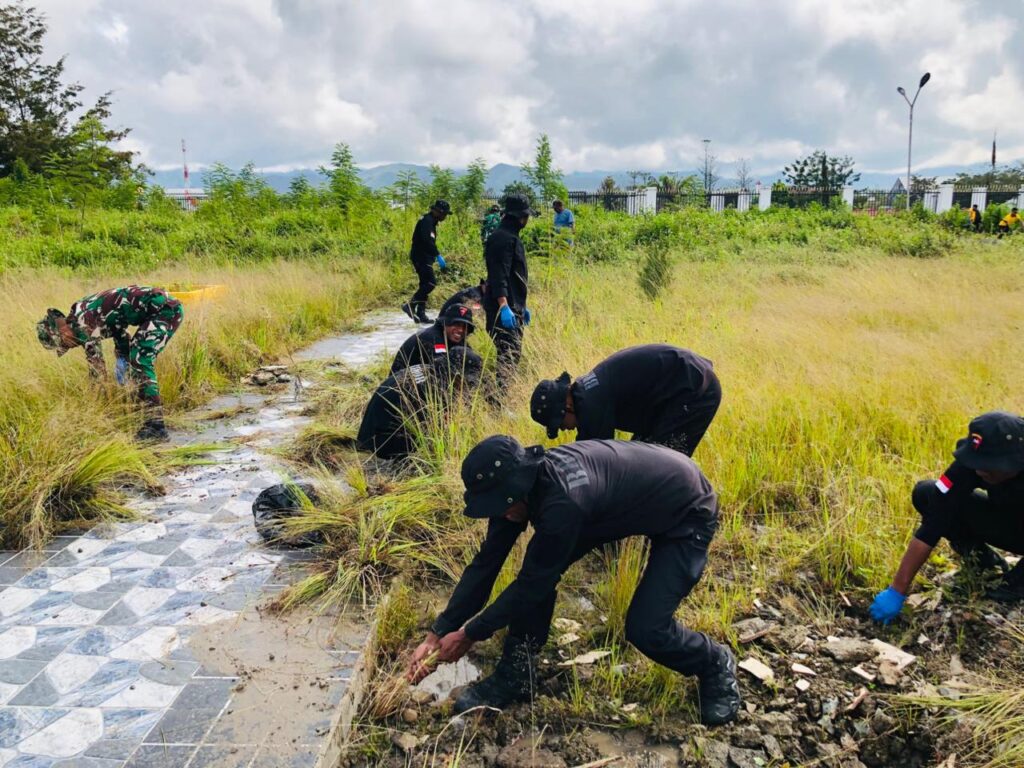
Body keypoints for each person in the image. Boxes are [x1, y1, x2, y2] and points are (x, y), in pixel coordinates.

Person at [406, 435, 741, 726]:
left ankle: (713, 661)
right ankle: (517, 676)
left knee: (645, 629)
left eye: (502, 507)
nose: (502, 515)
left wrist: (469, 634)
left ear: (517, 490)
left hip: (686, 509)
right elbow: (486, 563)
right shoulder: (520, 490)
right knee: (537, 575)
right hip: (616, 501)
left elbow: (531, 584)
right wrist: (438, 632)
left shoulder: (561, 504)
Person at [869, 411, 1024, 624]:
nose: (980, 470)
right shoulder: (972, 464)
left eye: (989, 465)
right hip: (1010, 521)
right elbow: (935, 520)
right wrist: (897, 589)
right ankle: (982, 562)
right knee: (926, 494)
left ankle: (1018, 582)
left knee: (1013, 586)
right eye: (977, 461)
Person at [36, 285, 184, 441]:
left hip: (164, 310)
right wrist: (123, 358)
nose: (69, 347)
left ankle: (156, 427)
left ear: (62, 332)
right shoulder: (81, 311)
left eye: (64, 344)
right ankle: (145, 413)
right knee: (134, 359)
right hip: (160, 308)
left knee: (140, 360)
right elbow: (118, 327)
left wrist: (98, 408)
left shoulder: (82, 323)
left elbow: (97, 370)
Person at [530, 345, 721, 457]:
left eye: (560, 423)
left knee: (662, 464)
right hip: (676, 390)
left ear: (567, 406)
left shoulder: (590, 405)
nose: (565, 429)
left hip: (695, 389)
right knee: (642, 457)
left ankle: (688, 515)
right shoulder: (585, 393)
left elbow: (595, 460)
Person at [357, 346, 483, 461]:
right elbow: (433, 431)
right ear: (454, 373)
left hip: (370, 434)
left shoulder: (430, 371)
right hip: (380, 443)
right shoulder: (431, 389)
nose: (466, 386)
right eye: (465, 381)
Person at [483, 193, 535, 398]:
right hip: (502, 308)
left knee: (511, 354)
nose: (527, 220)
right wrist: (504, 305)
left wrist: (521, 305)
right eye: (526, 216)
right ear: (518, 217)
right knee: (508, 354)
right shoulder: (502, 239)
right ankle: (499, 400)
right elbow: (499, 274)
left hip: (513, 306)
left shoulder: (509, 237)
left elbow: (513, 276)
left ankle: (501, 397)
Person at [402, 199, 451, 324]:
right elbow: (427, 241)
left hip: (424, 256)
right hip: (421, 257)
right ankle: (410, 305)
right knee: (430, 283)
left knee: (424, 283)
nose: (445, 217)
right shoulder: (427, 222)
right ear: (438, 212)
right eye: (444, 214)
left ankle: (421, 313)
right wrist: (438, 255)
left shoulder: (431, 221)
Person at [389, 303, 474, 375]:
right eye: (456, 324)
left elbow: (472, 359)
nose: (461, 330)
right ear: (445, 323)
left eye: (465, 327)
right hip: (400, 386)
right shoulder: (432, 337)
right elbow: (443, 369)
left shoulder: (455, 337)